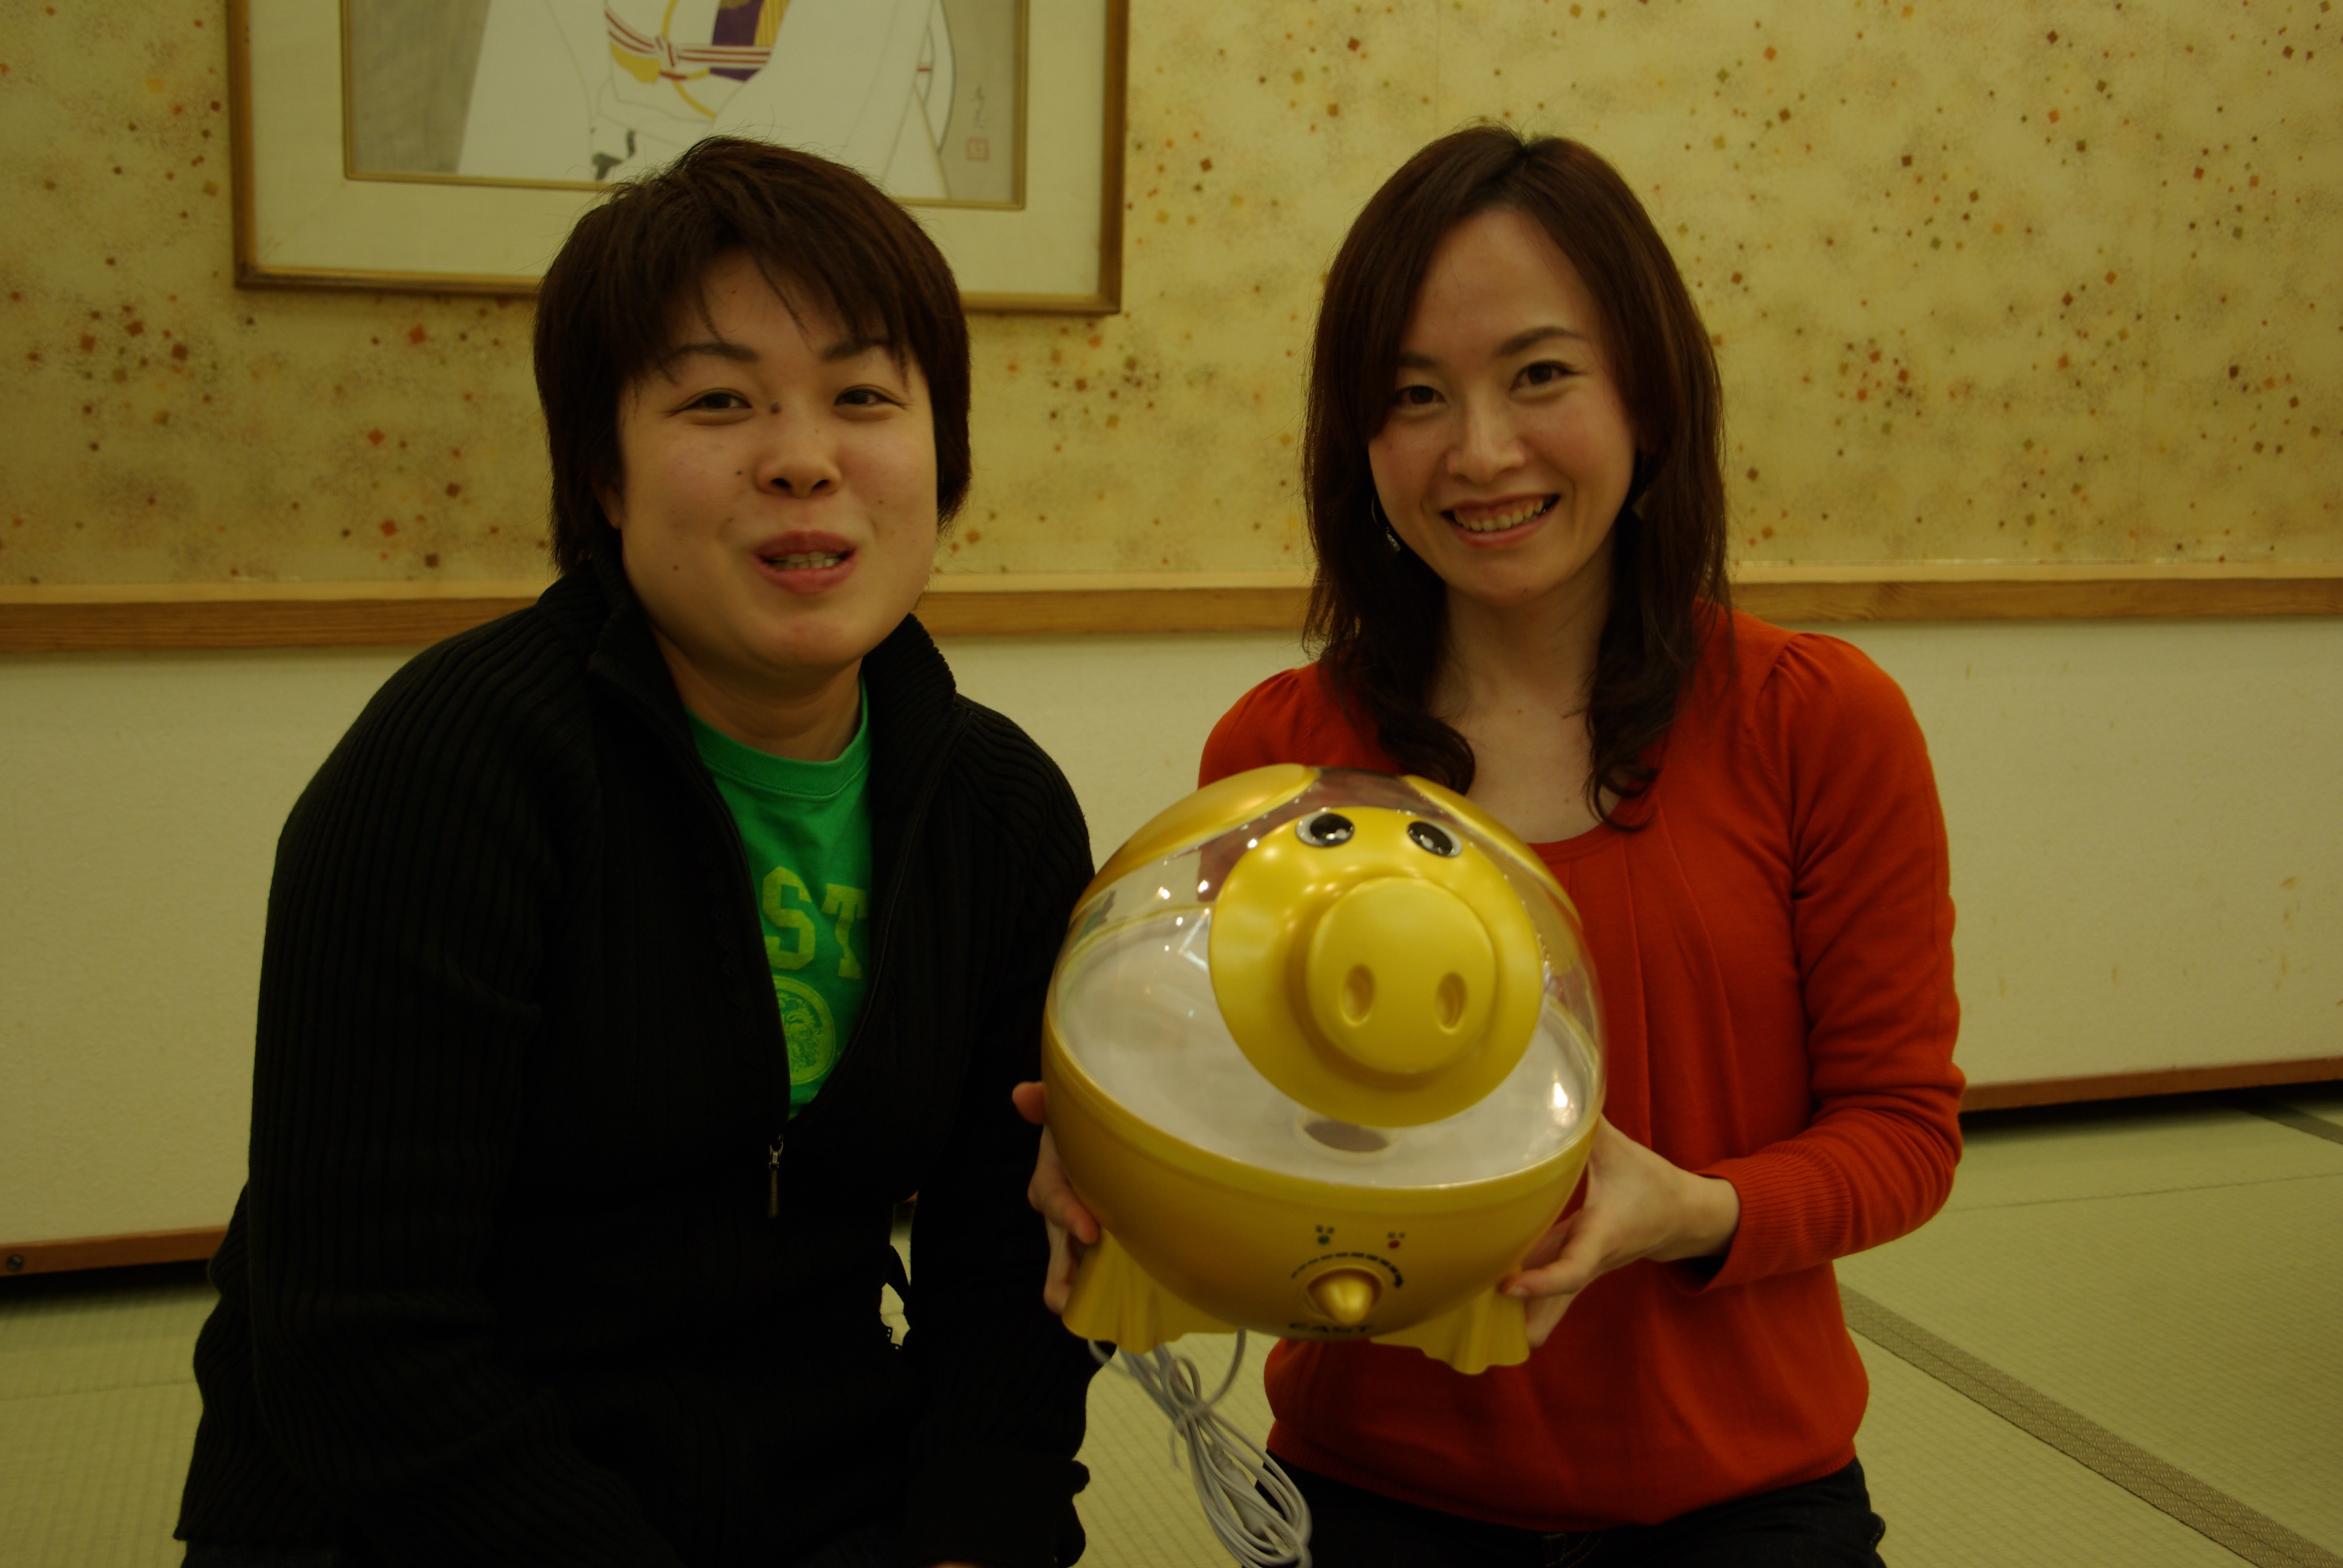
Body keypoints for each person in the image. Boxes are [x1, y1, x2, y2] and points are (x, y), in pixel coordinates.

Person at [1024, 126, 1962, 1565]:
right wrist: (1118, 1156)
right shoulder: (1283, 750)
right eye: (1414, 397)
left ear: (1646, 392)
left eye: (1539, 375)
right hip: (1372, 1485)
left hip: (1747, 1495)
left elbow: (1902, 1134)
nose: (1479, 453)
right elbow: (1232, 1109)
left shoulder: (1816, 721)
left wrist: (1686, 1211)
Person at [177, 137, 1099, 1568]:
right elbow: (358, 1339)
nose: (802, 458)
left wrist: (970, 1543)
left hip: (816, 1496)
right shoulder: (455, 767)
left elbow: (1005, 1275)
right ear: (601, 474)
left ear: (943, 454)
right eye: (718, 401)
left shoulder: (999, 811)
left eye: (864, 396)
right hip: (422, 1515)